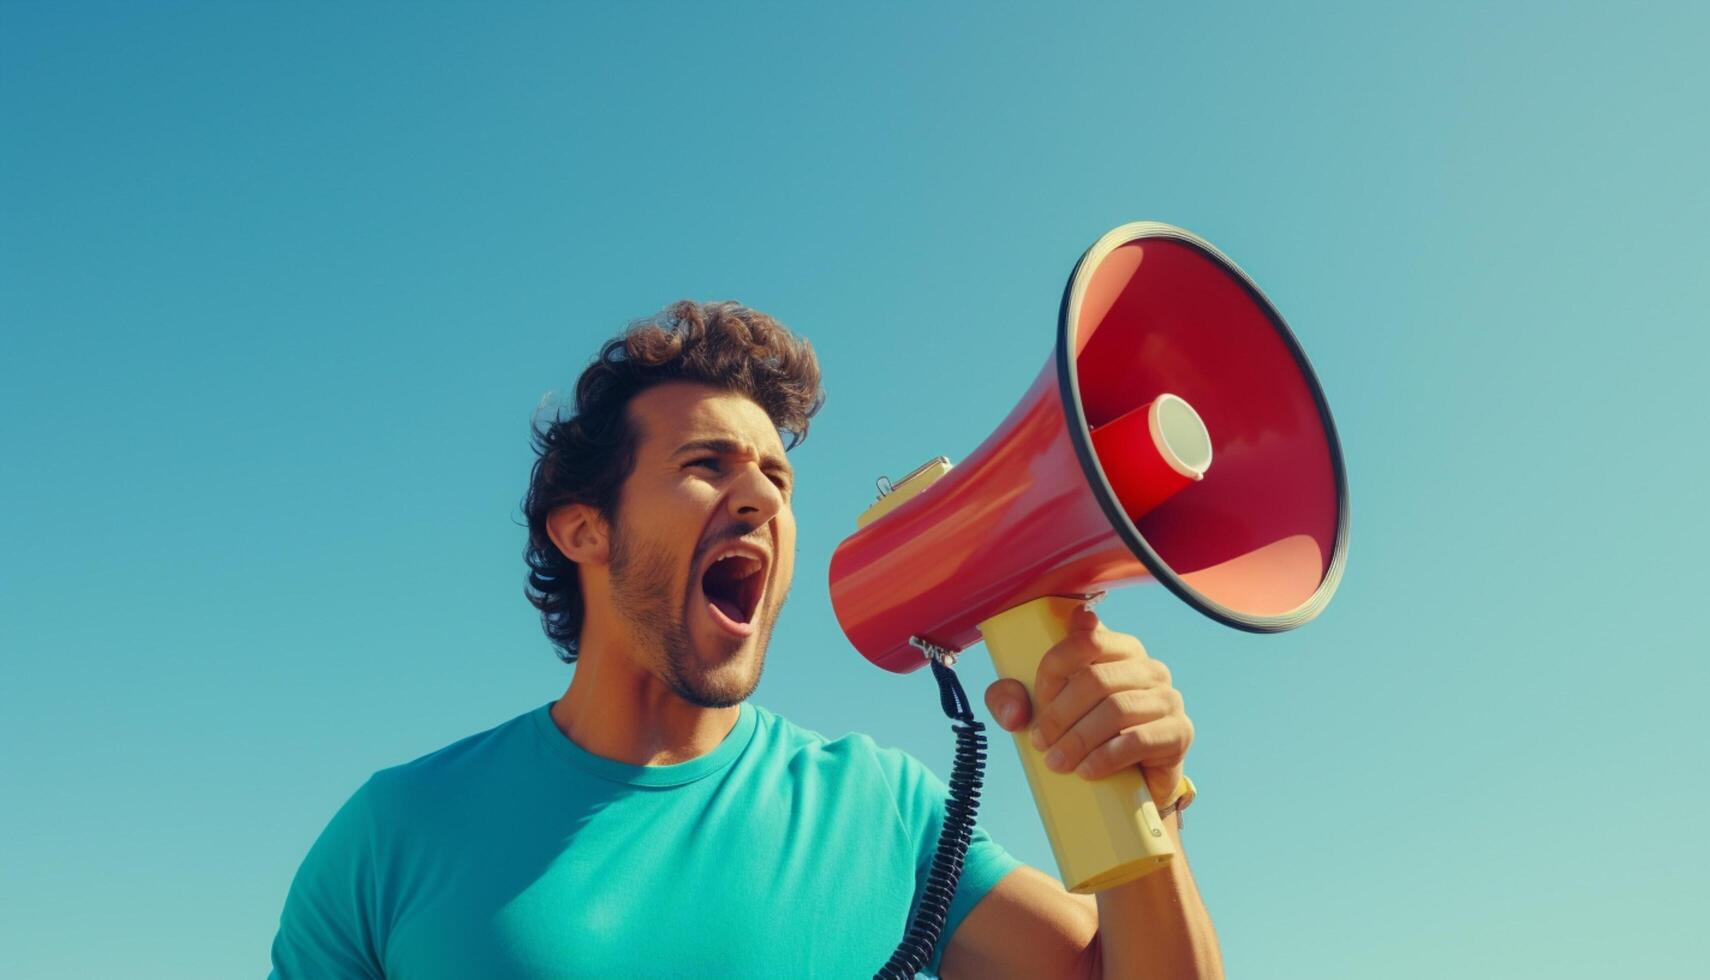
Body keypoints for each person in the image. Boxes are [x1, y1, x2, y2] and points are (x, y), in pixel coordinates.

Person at [268, 301, 1222, 978]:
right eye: (705, 463)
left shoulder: (881, 810)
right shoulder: (394, 836)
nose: (762, 495)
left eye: (777, 476)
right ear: (583, 529)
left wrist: (1143, 801)